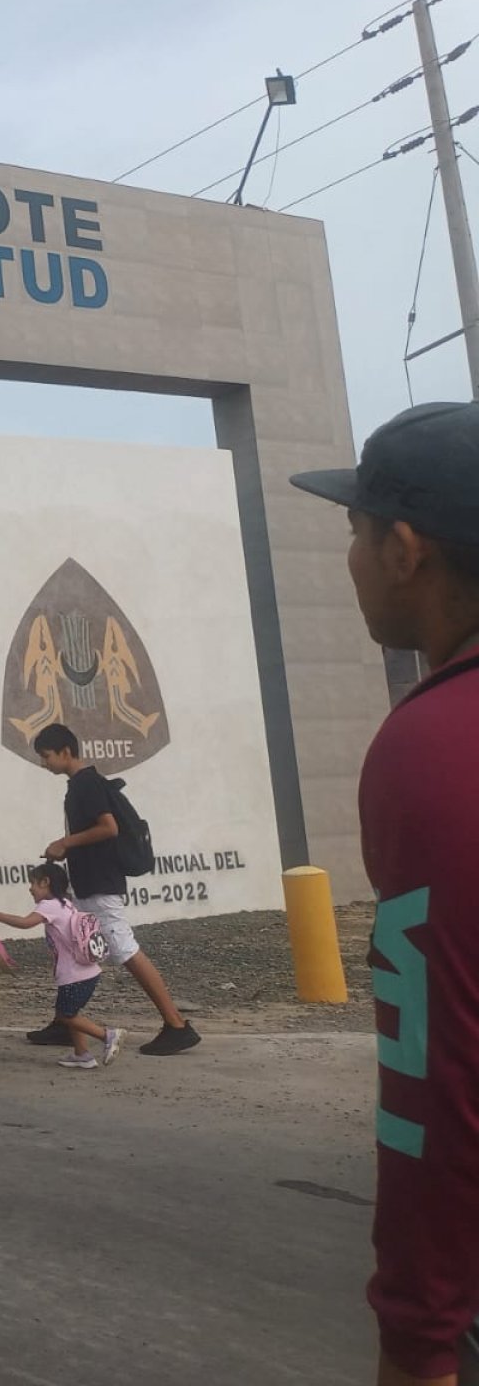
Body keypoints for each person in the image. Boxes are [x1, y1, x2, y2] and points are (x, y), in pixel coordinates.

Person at [289, 400, 479, 1386]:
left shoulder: (434, 745)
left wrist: (418, 1334)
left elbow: (434, 1075)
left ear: (406, 549)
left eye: (356, 534)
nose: (352, 561)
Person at [30, 723, 199, 1056]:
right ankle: (65, 1022)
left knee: (124, 949)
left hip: (99, 885)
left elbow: (108, 827)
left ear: (65, 752)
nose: (44, 763)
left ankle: (176, 1024)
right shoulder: (82, 784)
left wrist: (65, 843)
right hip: (89, 883)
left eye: (46, 756)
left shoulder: (86, 784)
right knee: (68, 943)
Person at [0, 861, 123, 1070]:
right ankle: (82, 1054)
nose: (30, 888)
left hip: (74, 975)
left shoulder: (49, 905)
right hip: (88, 972)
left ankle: (107, 1035)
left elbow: (25, 923)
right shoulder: (67, 902)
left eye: (33, 883)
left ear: (46, 882)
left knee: (66, 1016)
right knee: (71, 1013)